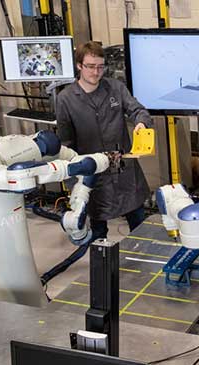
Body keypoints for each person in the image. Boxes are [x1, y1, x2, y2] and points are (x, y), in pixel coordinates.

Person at [55, 41, 153, 239]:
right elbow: (65, 143)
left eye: (100, 67)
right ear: (79, 65)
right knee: (98, 230)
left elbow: (138, 110)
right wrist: (73, 180)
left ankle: (146, 261)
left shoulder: (115, 88)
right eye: (90, 66)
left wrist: (141, 123)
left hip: (123, 167)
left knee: (139, 222)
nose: (96, 72)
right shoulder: (66, 99)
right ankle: (105, 267)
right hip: (92, 172)